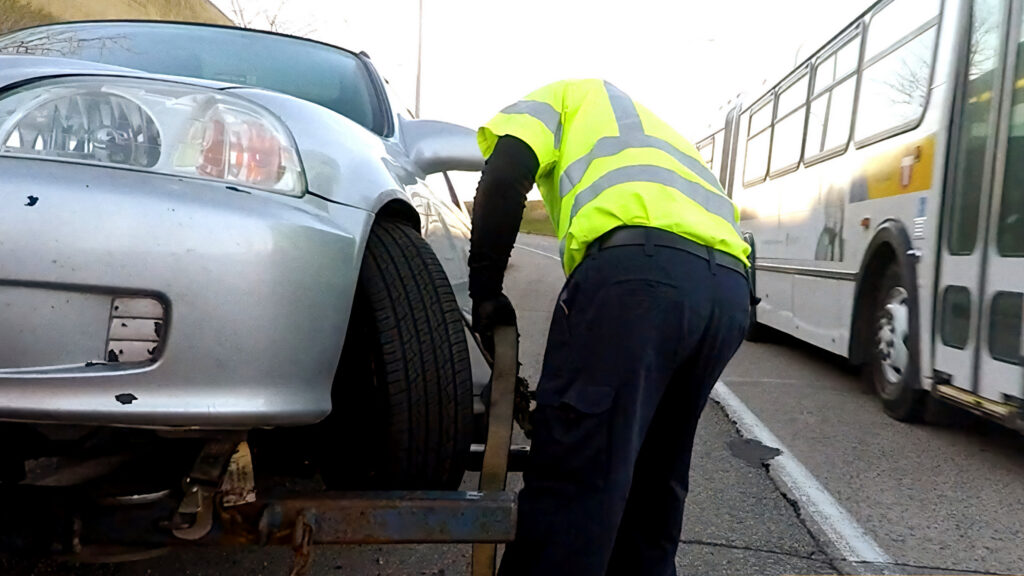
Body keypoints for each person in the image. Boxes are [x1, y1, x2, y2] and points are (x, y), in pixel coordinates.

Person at [468, 78, 752, 576]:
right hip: (726, 289)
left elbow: (505, 175)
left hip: (637, 280)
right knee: (655, 478)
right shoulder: (657, 134)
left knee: (576, 480)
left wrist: (485, 289)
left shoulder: (556, 99)